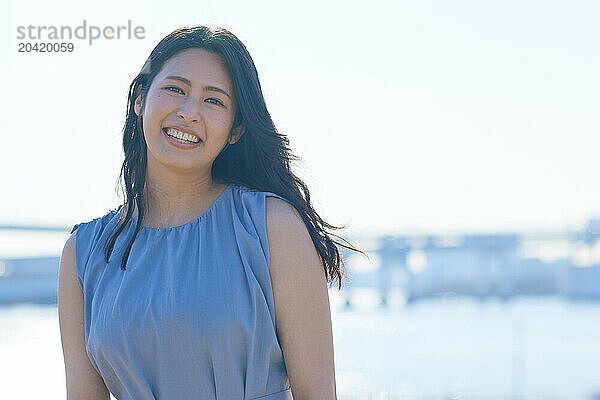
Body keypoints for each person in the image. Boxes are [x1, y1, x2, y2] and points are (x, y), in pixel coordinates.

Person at [57, 25, 365, 400]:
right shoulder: (83, 253)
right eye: (175, 89)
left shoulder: (271, 227)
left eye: (213, 100)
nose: (189, 113)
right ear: (140, 98)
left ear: (235, 129)